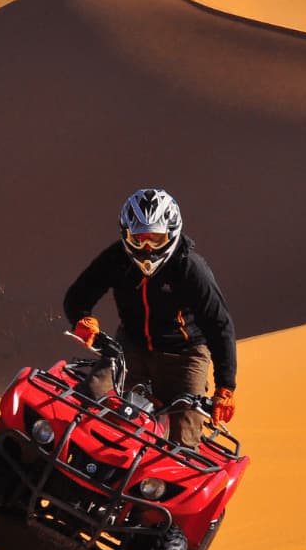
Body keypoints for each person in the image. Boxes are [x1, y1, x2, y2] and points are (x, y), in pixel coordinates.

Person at [63, 188, 237, 449]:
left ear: (172, 234)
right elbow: (78, 296)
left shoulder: (190, 268)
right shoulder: (116, 258)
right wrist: (81, 319)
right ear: (126, 235)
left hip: (185, 356)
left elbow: (219, 325)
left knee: (184, 439)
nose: (146, 248)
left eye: (155, 239)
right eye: (139, 238)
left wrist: (225, 387)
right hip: (130, 347)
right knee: (90, 398)